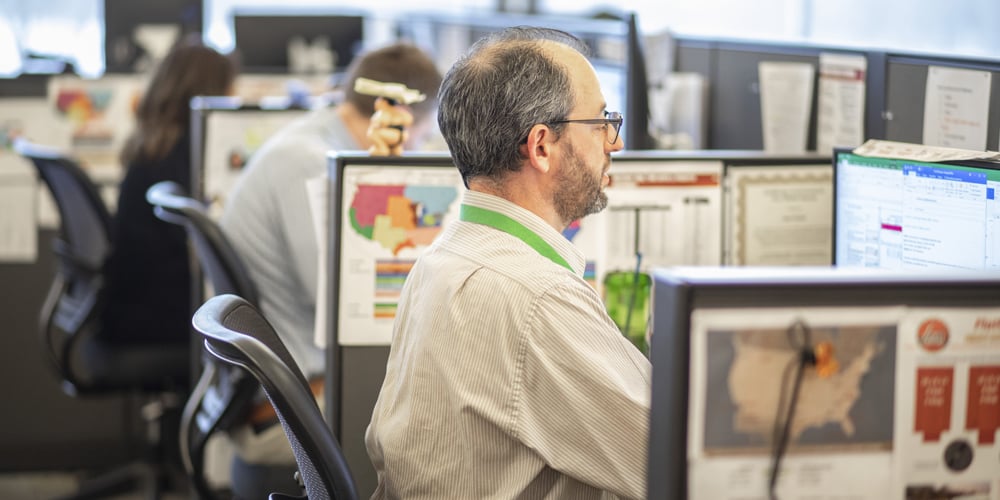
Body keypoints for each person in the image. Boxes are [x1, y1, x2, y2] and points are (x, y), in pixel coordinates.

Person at [365, 27, 650, 499]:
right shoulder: (538, 297)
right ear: (541, 146)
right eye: (600, 121)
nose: (612, 142)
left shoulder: (441, 258)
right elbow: (675, 463)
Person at [217, 42, 442, 490]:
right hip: (288, 400)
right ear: (389, 111)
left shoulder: (318, 141)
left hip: (294, 377)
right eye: (422, 131)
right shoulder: (307, 164)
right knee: (448, 424)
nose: (419, 143)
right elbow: (341, 303)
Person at [102, 36, 237, 346]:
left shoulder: (153, 147)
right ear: (210, 94)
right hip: (159, 322)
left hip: (132, 312)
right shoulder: (180, 158)